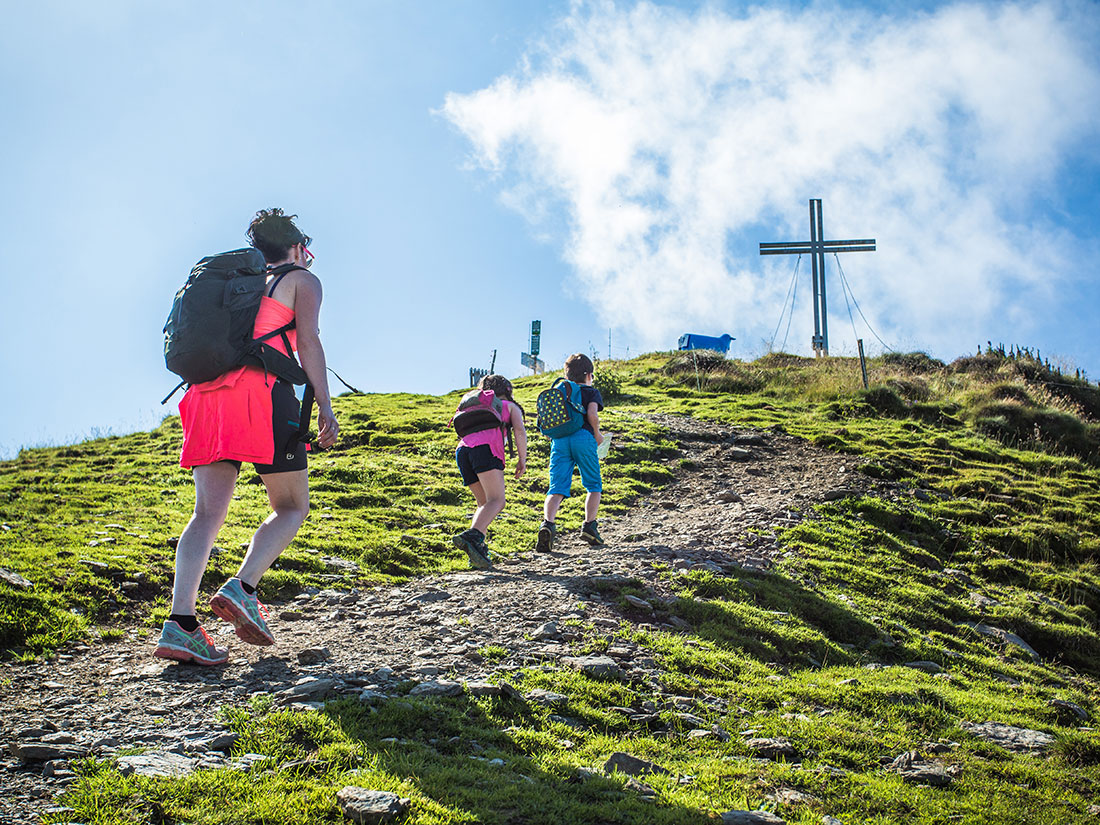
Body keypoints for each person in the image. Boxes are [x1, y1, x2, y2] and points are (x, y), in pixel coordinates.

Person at [154, 208, 338, 665]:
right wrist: (325, 405)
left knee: (206, 515)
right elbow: (309, 342)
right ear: (297, 247)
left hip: (204, 397)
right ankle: (244, 587)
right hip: (261, 393)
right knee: (292, 507)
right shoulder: (300, 279)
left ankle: (181, 626)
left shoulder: (230, 282)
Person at [451, 374, 528, 569]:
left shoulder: (474, 404)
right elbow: (519, 431)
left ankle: (476, 551)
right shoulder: (510, 407)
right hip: (486, 450)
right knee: (497, 501)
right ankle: (472, 536)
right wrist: (522, 459)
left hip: (462, 451)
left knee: (484, 504)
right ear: (508, 391)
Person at [536, 353, 605, 551]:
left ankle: (547, 524)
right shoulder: (591, 392)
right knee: (593, 485)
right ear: (589, 375)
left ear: (566, 374)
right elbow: (592, 415)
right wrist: (598, 435)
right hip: (583, 437)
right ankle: (589, 527)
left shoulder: (560, 389)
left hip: (559, 441)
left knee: (556, 487)